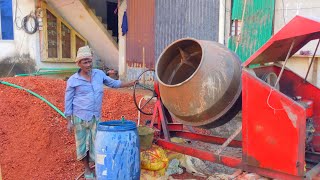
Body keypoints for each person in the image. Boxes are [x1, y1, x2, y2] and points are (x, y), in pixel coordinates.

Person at [64, 45, 136, 179]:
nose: (88, 64)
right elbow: (68, 101)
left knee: (97, 143)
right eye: (85, 62)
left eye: (89, 61)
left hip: (95, 117)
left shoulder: (99, 74)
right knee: (82, 145)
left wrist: (130, 83)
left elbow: (114, 84)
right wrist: (69, 121)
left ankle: (98, 167)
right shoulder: (73, 80)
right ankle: (87, 169)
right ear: (79, 64)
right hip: (80, 117)